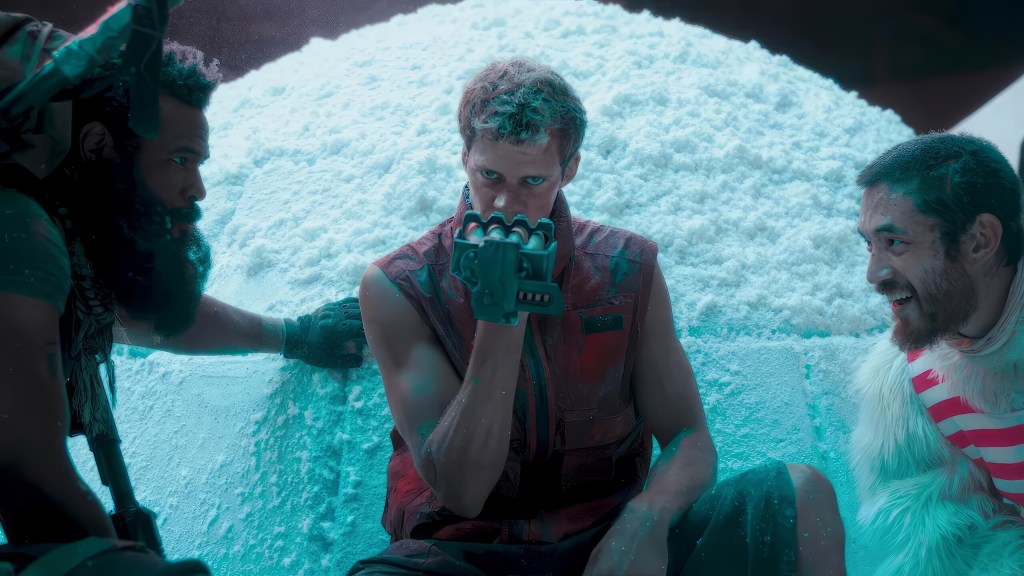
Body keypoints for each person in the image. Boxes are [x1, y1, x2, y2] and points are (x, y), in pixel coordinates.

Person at [352, 57, 845, 576]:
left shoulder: (626, 269)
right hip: (464, 557)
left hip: (611, 545)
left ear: (569, 171)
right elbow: (463, 490)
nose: (505, 204)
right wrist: (502, 316)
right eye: (488, 175)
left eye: (532, 180)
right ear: (464, 158)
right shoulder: (399, 286)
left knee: (801, 496)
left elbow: (690, 438)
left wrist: (646, 520)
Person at [0, 8, 363, 575]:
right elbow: (30, 474)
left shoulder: (60, 220)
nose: (197, 188)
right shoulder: (21, 233)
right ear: (96, 147)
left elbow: (138, 316)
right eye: (179, 160)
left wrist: (294, 336)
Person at [850, 133, 1024, 576]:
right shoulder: (910, 383)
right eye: (869, 244)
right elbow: (938, 549)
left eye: (895, 243)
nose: (873, 274)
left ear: (980, 239)